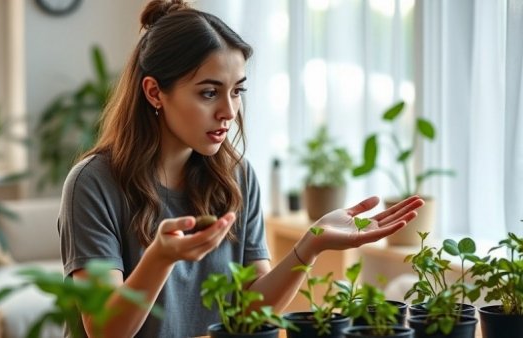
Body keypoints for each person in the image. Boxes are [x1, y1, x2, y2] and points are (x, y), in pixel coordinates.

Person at [57, 1, 425, 337]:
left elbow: (251, 311)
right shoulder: (93, 183)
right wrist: (161, 256)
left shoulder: (236, 176)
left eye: (237, 91)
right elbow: (105, 331)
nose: (229, 112)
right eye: (208, 92)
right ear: (154, 92)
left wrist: (311, 245)